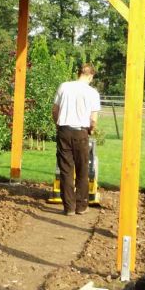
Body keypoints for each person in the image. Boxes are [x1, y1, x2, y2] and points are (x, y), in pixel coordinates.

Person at [52, 63, 101, 216]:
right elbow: (93, 118)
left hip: (64, 130)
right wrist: (91, 129)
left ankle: (69, 207)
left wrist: (58, 125)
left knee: (66, 169)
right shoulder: (92, 93)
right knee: (82, 169)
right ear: (90, 76)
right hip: (81, 132)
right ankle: (81, 206)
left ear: (78, 73)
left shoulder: (64, 87)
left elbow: (55, 110)